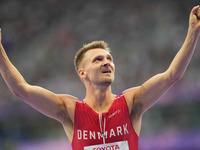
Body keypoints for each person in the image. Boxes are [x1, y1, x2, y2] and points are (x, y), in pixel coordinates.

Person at [1, 5, 200, 150]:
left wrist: (193, 33)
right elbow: (21, 90)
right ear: (82, 73)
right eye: (97, 60)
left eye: (109, 58)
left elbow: (172, 76)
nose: (107, 62)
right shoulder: (69, 110)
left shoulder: (131, 103)